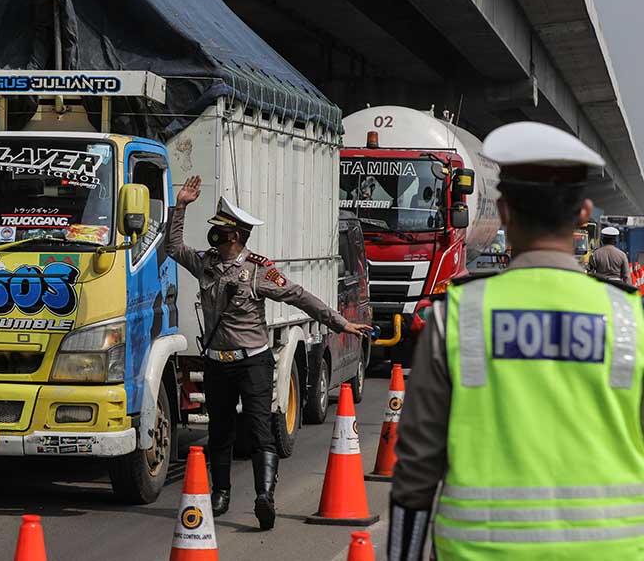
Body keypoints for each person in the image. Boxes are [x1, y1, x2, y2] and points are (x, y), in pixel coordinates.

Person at [389, 122, 644, 560]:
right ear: (584, 213)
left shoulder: (457, 316)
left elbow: (415, 473)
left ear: (504, 212)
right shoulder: (630, 319)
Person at [170, 176, 372, 530]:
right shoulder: (205, 263)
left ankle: (265, 497)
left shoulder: (259, 271)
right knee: (220, 432)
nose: (214, 237)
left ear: (236, 236)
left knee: (261, 429)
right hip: (217, 363)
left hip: (253, 362)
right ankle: (221, 493)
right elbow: (173, 247)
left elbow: (299, 295)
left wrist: (340, 323)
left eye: (221, 232)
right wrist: (181, 205)